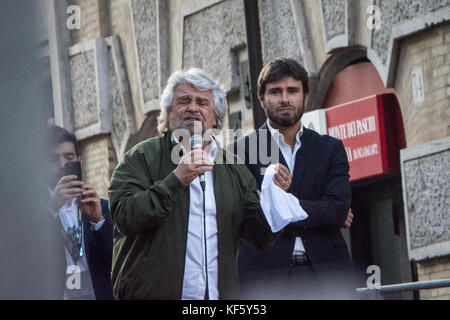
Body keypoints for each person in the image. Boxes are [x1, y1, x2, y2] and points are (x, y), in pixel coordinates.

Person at [107, 68, 306, 300]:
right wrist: (176, 180)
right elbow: (124, 215)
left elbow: (259, 236)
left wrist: (275, 197)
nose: (193, 108)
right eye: (184, 101)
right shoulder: (141, 157)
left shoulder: (233, 169)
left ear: (215, 117)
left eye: (202, 102)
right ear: (168, 112)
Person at [230, 58, 356, 299]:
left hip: (327, 273)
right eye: (276, 92)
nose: (285, 99)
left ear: (305, 97)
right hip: (264, 275)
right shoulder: (240, 152)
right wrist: (317, 210)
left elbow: (338, 210)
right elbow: (246, 217)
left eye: (293, 91)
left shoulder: (330, 148)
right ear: (261, 99)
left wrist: (276, 204)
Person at [46, 125, 114, 300]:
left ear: (79, 162)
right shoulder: (35, 213)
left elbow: (114, 260)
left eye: (68, 157)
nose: (62, 165)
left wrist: (97, 220)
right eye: (54, 159)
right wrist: (51, 210)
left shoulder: (100, 206)